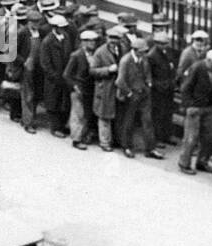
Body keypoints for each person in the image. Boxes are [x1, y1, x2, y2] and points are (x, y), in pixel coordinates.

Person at [115, 35, 164, 159]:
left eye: (145, 51)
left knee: (147, 121)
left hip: (144, 93)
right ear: (135, 50)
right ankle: (126, 146)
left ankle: (150, 148)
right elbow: (120, 81)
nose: (145, 54)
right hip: (132, 94)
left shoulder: (144, 59)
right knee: (128, 121)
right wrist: (129, 93)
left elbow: (147, 73)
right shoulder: (125, 61)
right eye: (142, 52)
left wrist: (149, 83)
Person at [177, 48, 212, 174]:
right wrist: (188, 106)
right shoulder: (197, 68)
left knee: (208, 138)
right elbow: (186, 87)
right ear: (208, 60)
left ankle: (202, 161)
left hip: (208, 107)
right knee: (191, 138)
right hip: (195, 107)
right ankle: (184, 163)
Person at [89, 24, 125, 152]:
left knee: (118, 115)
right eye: (111, 38)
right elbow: (92, 71)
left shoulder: (123, 49)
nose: (113, 41)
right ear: (106, 38)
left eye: (116, 38)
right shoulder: (100, 52)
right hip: (105, 88)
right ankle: (104, 142)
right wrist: (108, 70)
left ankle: (116, 140)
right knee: (104, 116)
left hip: (118, 88)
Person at [64, 28, 99, 149]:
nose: (93, 43)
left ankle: (82, 135)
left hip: (89, 89)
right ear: (83, 42)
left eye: (94, 41)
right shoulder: (76, 55)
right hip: (79, 89)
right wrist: (74, 86)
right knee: (78, 115)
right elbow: (67, 74)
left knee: (86, 115)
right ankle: (76, 139)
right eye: (89, 41)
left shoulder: (94, 55)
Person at [146, 28, 178, 147]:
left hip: (168, 87)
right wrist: (157, 85)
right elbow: (149, 75)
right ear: (156, 43)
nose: (164, 46)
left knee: (168, 112)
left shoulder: (168, 52)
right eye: (162, 44)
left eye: (166, 43)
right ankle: (157, 138)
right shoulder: (152, 55)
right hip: (158, 90)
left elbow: (171, 66)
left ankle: (167, 135)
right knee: (158, 114)